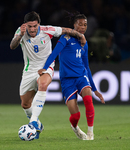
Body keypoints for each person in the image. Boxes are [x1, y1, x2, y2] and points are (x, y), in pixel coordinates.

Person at [10, 11, 86, 139]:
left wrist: (80, 36)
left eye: (35, 26)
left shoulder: (47, 30)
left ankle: (33, 121)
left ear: (39, 24)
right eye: (30, 26)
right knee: (25, 104)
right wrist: (19, 36)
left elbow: (66, 30)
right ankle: (37, 124)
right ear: (25, 25)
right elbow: (12, 46)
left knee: (43, 84)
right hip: (29, 70)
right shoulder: (21, 31)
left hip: (46, 67)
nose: (32, 29)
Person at [38, 12, 105, 140]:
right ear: (74, 25)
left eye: (85, 25)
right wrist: (45, 68)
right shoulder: (65, 38)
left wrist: (95, 89)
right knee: (75, 116)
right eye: (80, 25)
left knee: (88, 100)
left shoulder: (84, 43)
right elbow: (54, 54)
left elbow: (86, 67)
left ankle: (91, 133)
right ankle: (75, 127)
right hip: (67, 80)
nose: (83, 27)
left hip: (81, 76)